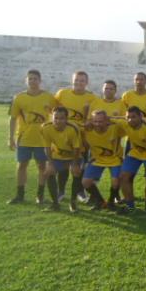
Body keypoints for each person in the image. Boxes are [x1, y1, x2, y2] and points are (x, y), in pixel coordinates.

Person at [8, 70, 56, 205]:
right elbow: (12, 118)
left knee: (42, 167)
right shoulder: (19, 97)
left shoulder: (49, 97)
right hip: (24, 138)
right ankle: (20, 195)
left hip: (43, 139)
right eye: (30, 79)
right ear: (26, 81)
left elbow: (58, 115)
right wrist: (10, 138)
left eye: (35, 79)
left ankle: (40, 196)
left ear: (40, 81)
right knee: (22, 165)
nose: (32, 81)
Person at [55, 71, 97, 201]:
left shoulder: (92, 98)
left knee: (79, 166)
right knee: (63, 166)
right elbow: (54, 113)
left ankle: (80, 191)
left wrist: (87, 122)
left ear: (87, 82)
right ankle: (60, 191)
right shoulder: (62, 94)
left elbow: (92, 119)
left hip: (82, 138)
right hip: (63, 136)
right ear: (72, 80)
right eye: (76, 80)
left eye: (82, 80)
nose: (79, 82)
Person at [117, 106, 146, 215]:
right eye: (128, 117)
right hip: (135, 153)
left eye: (133, 117)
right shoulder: (125, 123)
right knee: (123, 176)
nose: (130, 120)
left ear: (141, 116)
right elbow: (110, 118)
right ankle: (130, 207)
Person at [41, 107, 82, 212]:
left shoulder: (73, 128)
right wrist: (50, 163)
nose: (58, 121)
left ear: (67, 118)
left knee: (76, 172)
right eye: (56, 118)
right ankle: (55, 204)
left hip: (73, 156)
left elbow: (76, 148)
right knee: (49, 172)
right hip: (57, 156)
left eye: (62, 118)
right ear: (52, 117)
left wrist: (74, 163)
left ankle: (73, 203)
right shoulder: (46, 128)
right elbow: (47, 147)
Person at [82, 110, 125, 210]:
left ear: (106, 121)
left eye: (100, 121)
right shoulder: (86, 129)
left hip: (115, 159)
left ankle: (111, 202)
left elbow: (127, 120)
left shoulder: (115, 128)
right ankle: (100, 201)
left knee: (116, 181)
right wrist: (86, 123)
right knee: (85, 182)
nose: (97, 124)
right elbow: (72, 125)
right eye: (95, 121)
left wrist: (112, 118)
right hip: (97, 159)